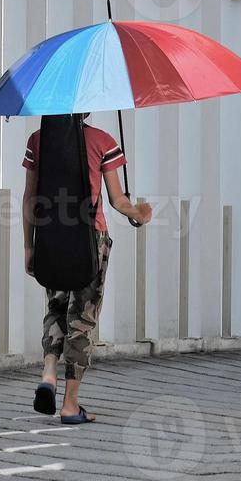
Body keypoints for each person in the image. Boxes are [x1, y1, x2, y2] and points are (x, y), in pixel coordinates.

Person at [22, 114, 152, 424]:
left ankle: (49, 373)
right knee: (82, 317)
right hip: (89, 239)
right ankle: (70, 404)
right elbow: (118, 200)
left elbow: (29, 198)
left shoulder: (38, 141)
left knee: (56, 308)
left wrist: (29, 246)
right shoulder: (101, 141)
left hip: (50, 236)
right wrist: (139, 213)